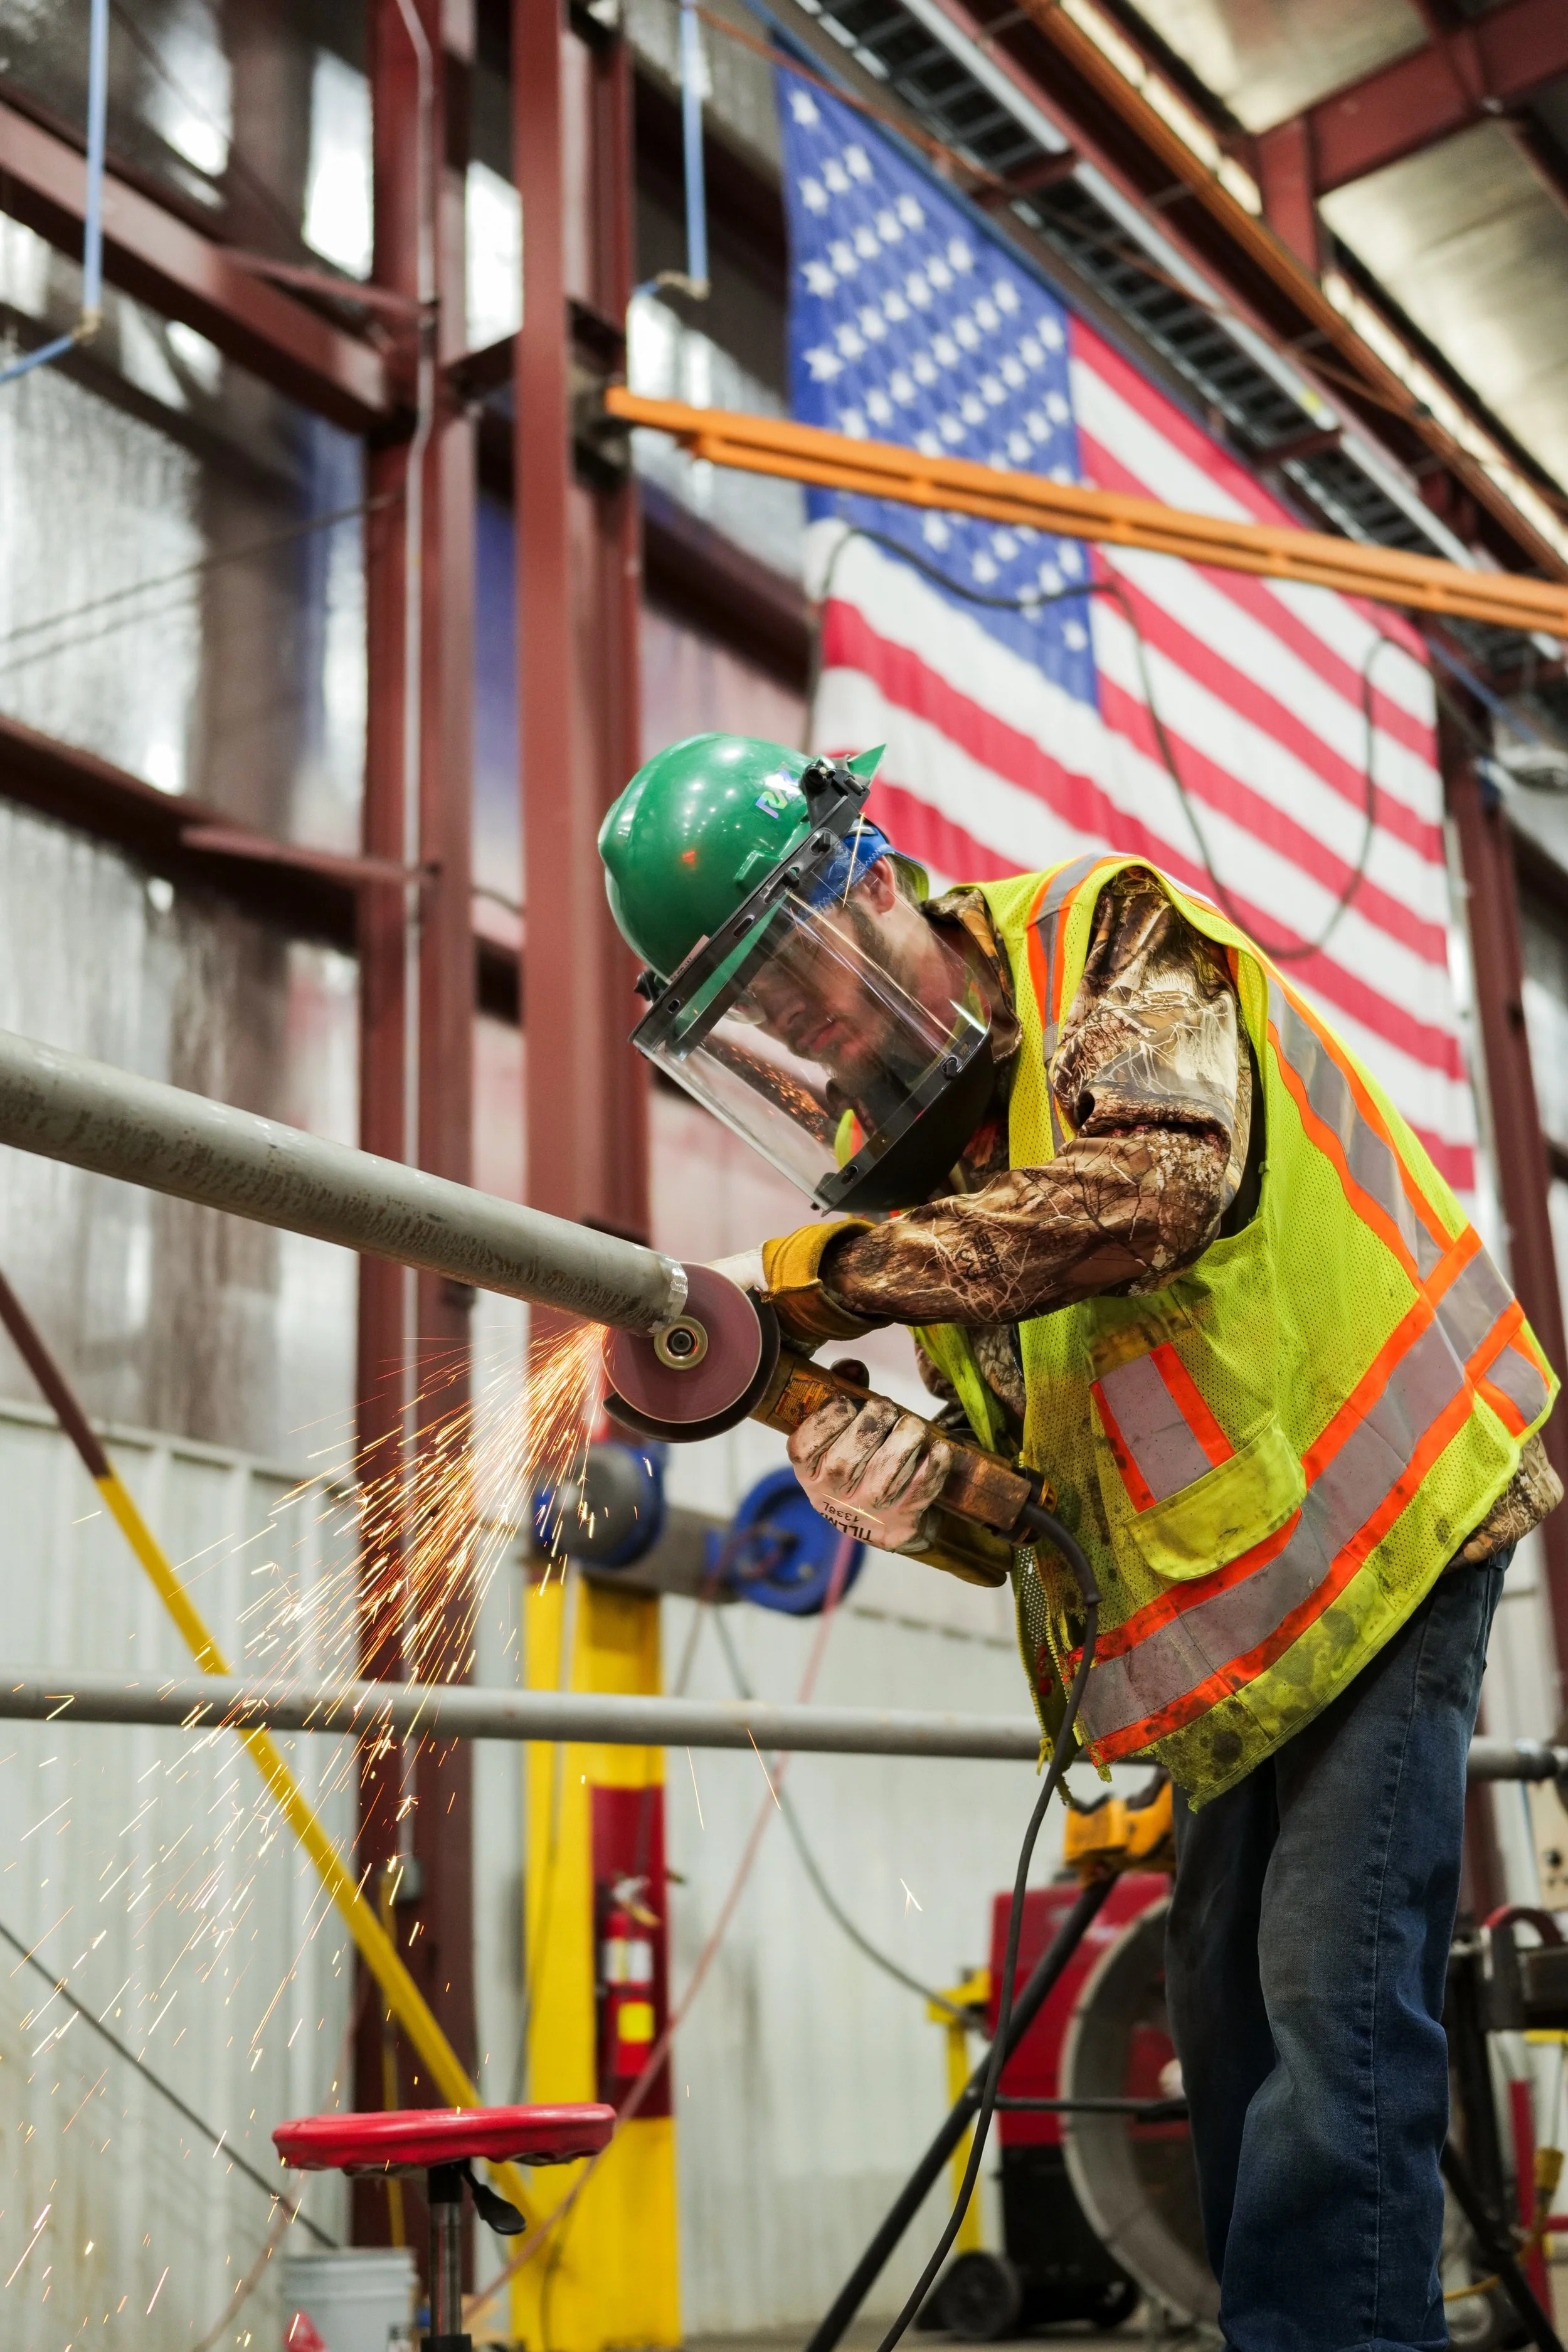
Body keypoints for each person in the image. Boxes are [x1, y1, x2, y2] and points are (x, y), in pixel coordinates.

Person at [600, 730, 1562, 2352]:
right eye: (756, 1013)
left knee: (1332, 2028)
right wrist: (905, 1483)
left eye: (800, 968)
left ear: (873, 875)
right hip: (1243, 1618)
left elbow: (1155, 1188)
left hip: (1395, 1527)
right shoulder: (912, 1169)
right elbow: (1033, 1509)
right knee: (1225, 2046)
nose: (803, 1024)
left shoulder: (1103, 940)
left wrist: (831, 1282)